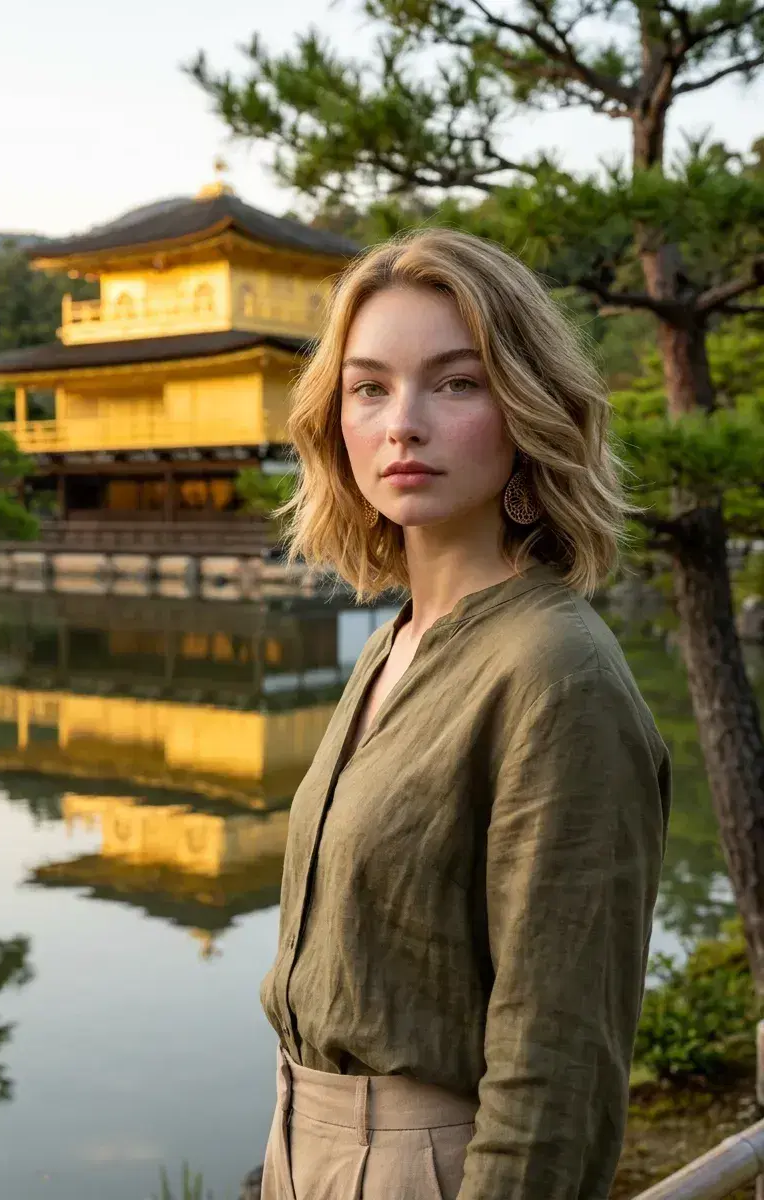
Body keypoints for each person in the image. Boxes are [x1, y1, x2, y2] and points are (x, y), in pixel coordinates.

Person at [258, 227, 671, 1200]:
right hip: (299, 1147)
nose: (401, 422)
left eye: (454, 382)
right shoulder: (395, 643)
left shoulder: (551, 672)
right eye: (368, 387)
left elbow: (554, 1067)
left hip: (427, 1169)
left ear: (525, 407)